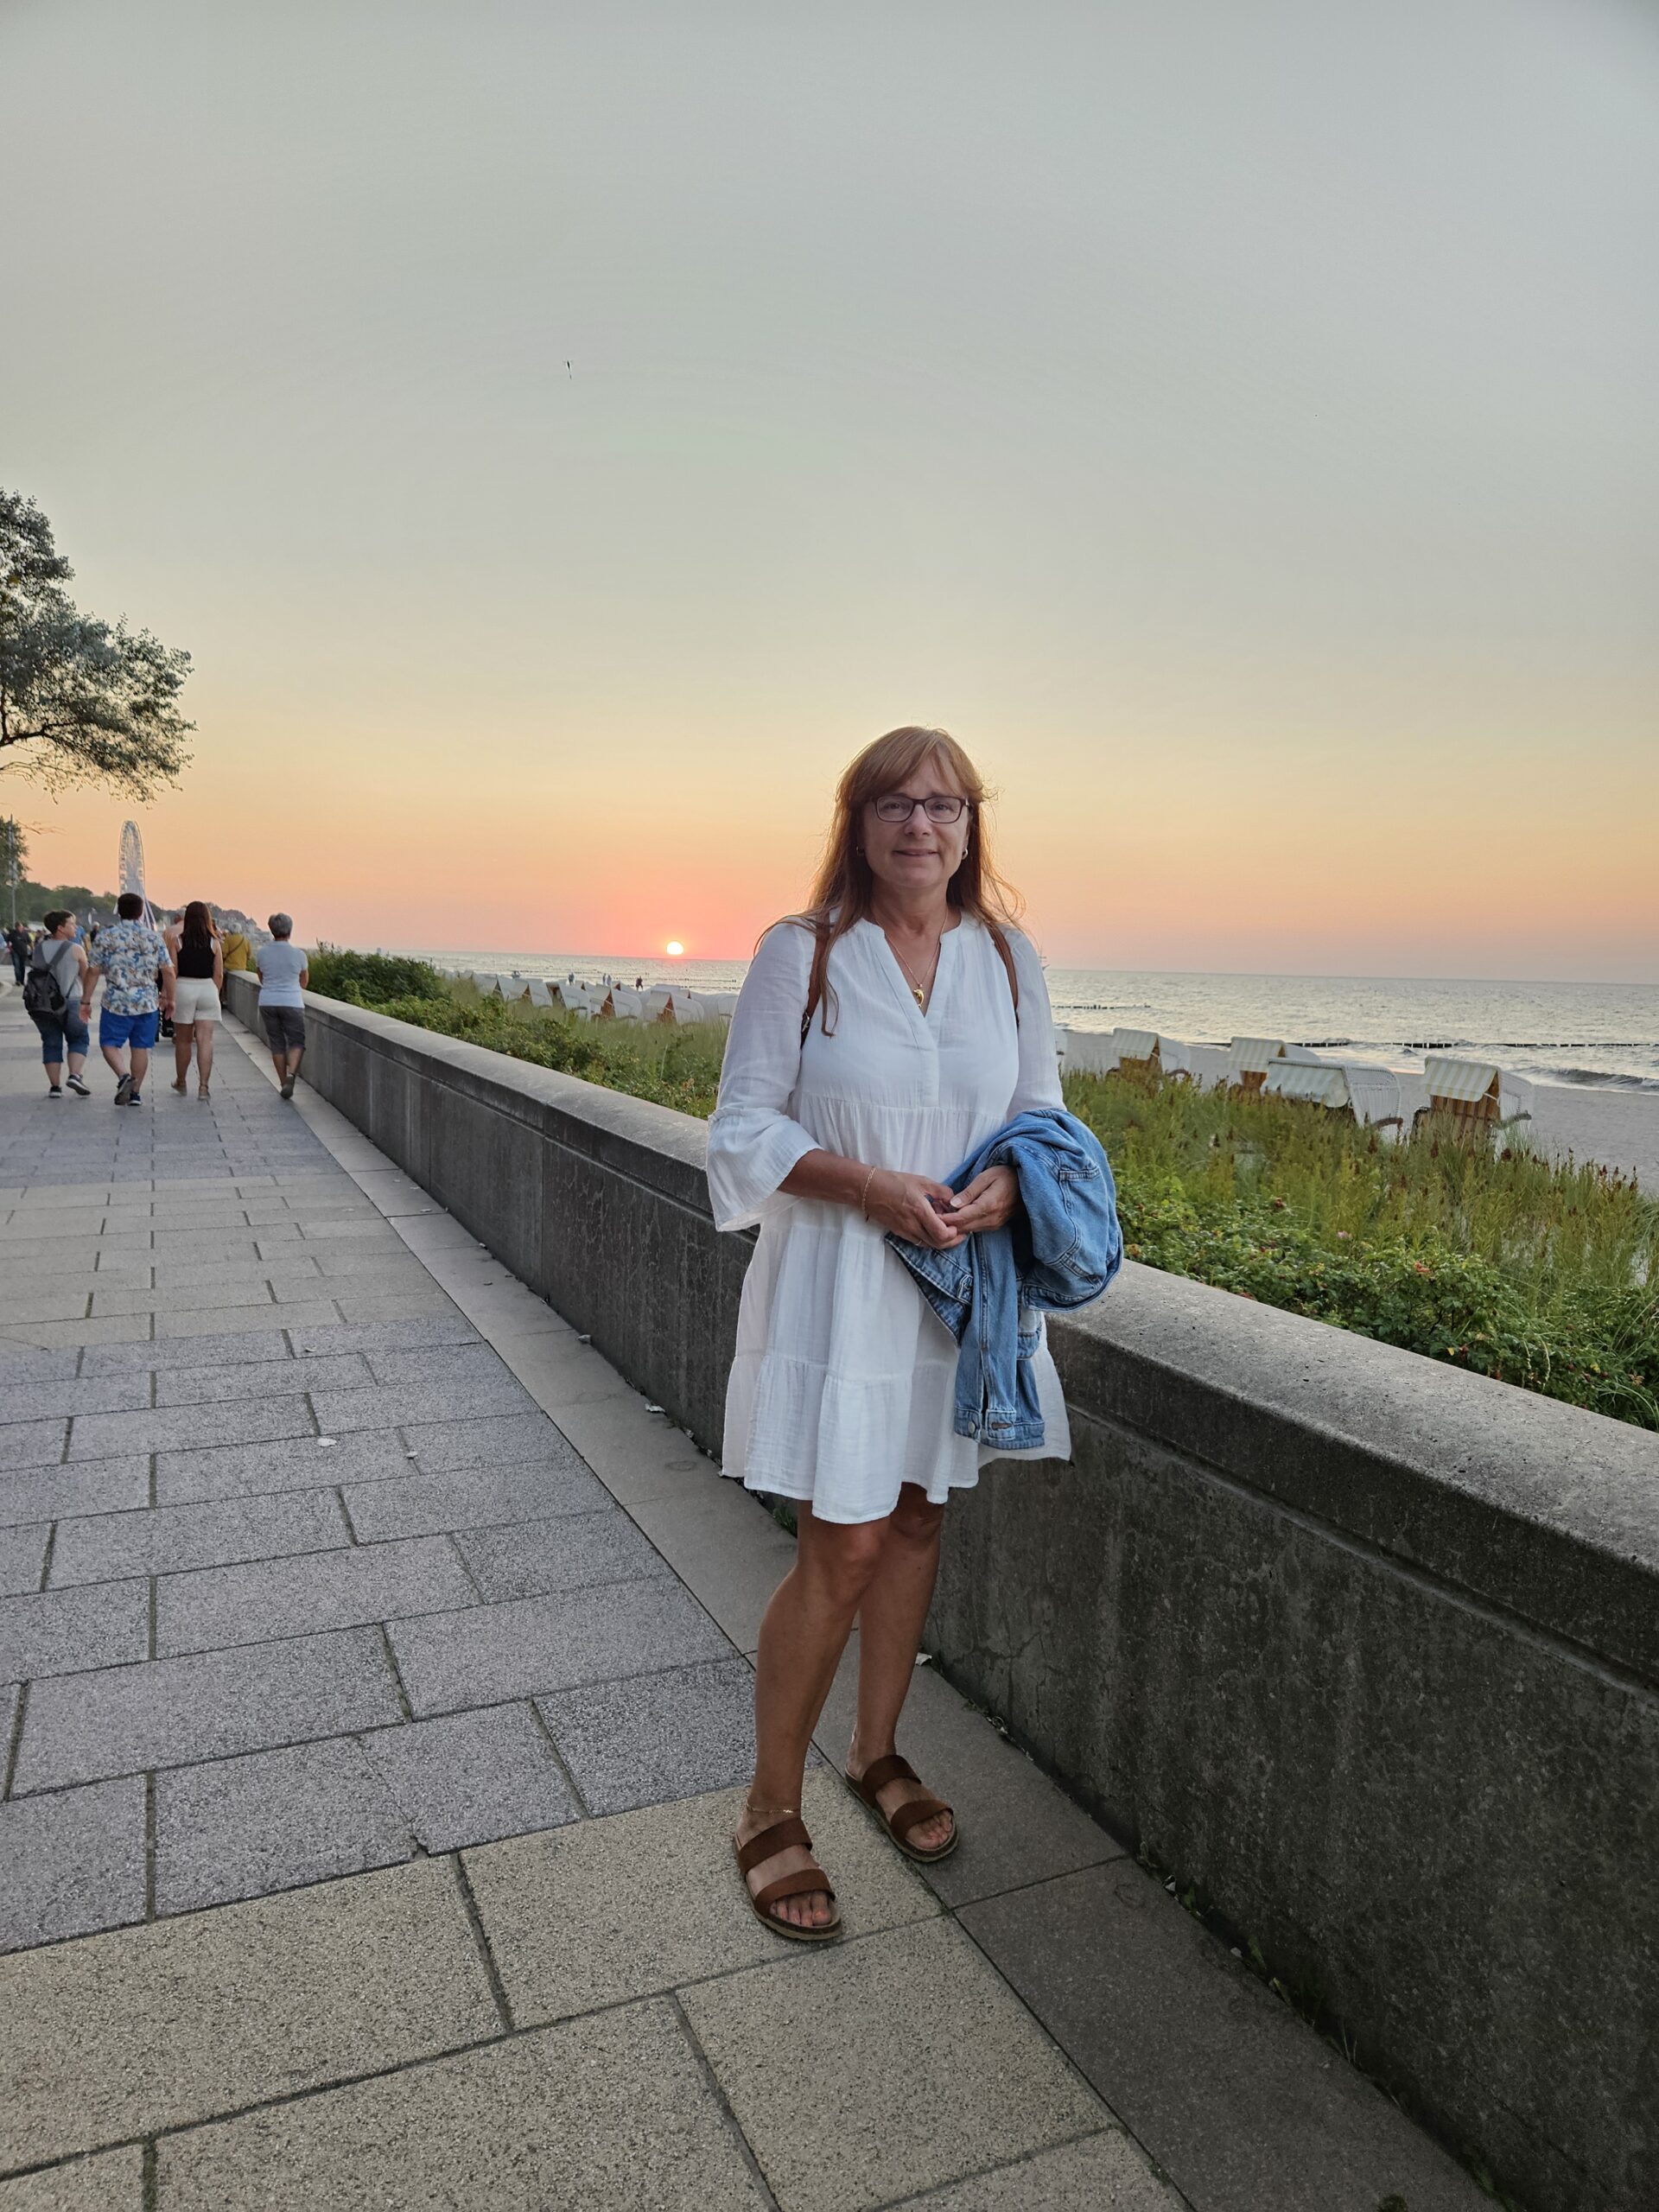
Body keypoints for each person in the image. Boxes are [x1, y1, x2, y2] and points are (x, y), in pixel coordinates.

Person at [706, 725, 1068, 1942]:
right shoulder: (800, 954)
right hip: (840, 1282)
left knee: (919, 1519)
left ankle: (874, 1754)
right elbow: (742, 1126)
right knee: (843, 1545)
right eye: (896, 806)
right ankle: (768, 1804)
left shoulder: (1009, 960)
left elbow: (1040, 1117)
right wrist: (867, 1185)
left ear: (974, 826)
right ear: (857, 824)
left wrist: (1013, 1184)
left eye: (946, 806)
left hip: (962, 1289)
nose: (923, 826)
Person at [82, 893, 173, 1105]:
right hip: (147, 1002)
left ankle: (124, 1076)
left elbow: (93, 971)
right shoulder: (153, 937)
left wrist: (86, 1001)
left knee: (109, 1044)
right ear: (141, 912)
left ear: (118, 911)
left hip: (116, 1001)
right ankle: (136, 1094)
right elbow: (168, 971)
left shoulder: (106, 936)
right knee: (140, 1048)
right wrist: (171, 998)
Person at [23, 911, 93, 1096]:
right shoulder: (76, 949)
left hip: (43, 1004)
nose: (76, 927)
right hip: (72, 1001)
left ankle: (55, 1087)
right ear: (61, 928)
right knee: (79, 1039)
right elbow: (86, 977)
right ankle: (74, 1075)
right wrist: (87, 1001)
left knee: (51, 1042)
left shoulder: (38, 948)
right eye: (72, 924)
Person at [169, 900, 225, 1100]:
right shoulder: (214, 943)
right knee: (205, 1040)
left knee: (183, 1040)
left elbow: (172, 971)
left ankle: (182, 1081)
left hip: (184, 988)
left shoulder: (177, 941)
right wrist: (214, 993)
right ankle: (203, 1087)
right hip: (207, 989)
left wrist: (170, 996)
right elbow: (218, 974)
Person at [257, 913, 309, 1098]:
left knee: (277, 1042)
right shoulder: (299, 954)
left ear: (271, 929)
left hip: (268, 1001)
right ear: (290, 930)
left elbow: (261, 977)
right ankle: (291, 1074)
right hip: (292, 1001)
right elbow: (304, 983)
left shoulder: (262, 953)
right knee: (297, 1041)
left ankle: (282, 1082)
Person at [7, 919, 30, 986]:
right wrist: (10, 948)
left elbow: (30, 942)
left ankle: (22, 980)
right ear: (16, 927)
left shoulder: (25, 934)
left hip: (24, 952)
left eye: (21, 927)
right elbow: (8, 942)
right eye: (19, 927)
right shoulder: (12, 934)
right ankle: (18, 980)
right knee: (17, 966)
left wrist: (33, 949)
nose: (20, 929)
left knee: (23, 967)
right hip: (15, 952)